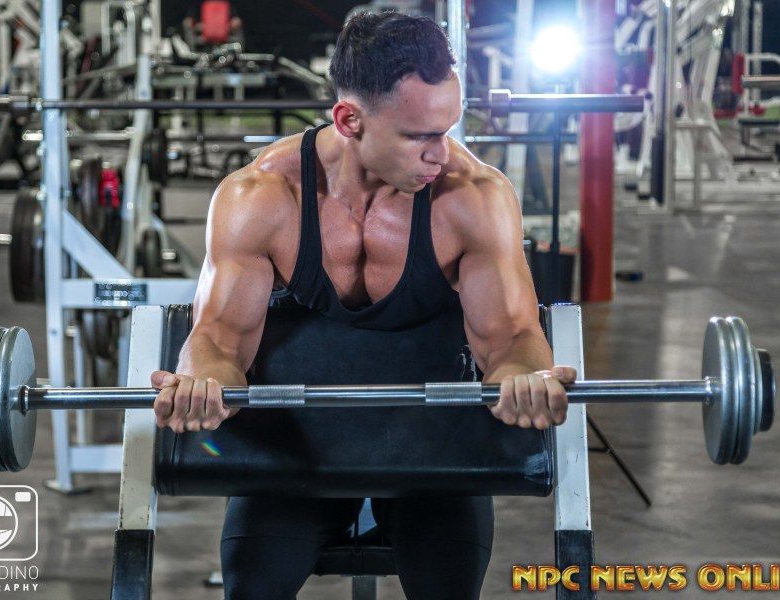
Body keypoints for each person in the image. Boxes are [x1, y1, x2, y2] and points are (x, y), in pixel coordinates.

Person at [150, 11, 577, 600]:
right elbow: (220, 338)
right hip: (298, 447)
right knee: (252, 588)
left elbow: (511, 337)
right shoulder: (261, 197)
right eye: (418, 136)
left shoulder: (474, 197)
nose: (441, 153)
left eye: (447, 129)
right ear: (349, 120)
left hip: (432, 449)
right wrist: (202, 383)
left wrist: (523, 378)